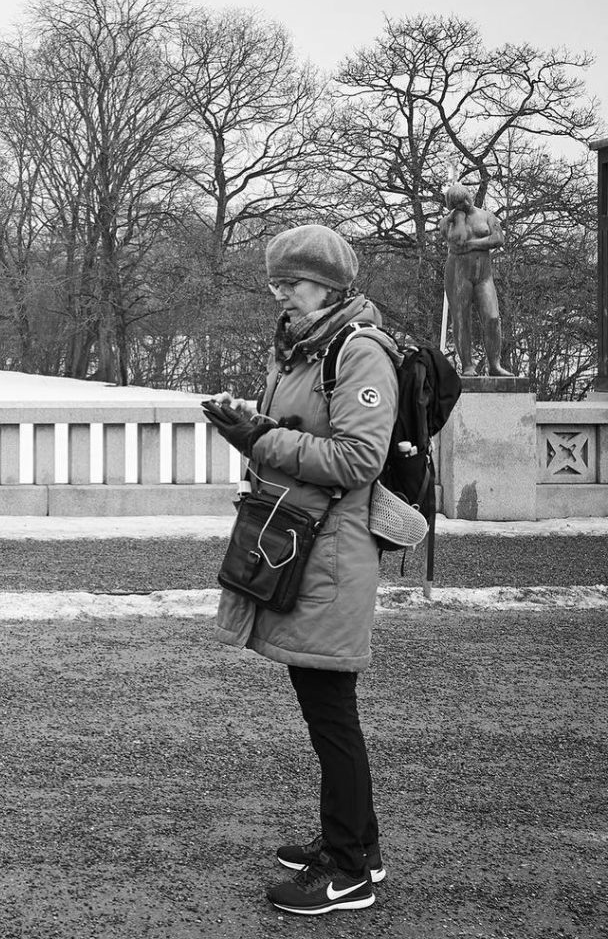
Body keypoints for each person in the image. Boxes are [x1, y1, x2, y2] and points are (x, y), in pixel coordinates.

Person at [205, 224, 399, 916]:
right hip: (300, 539)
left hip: (334, 550)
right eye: (276, 281)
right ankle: (357, 850)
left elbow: (356, 460)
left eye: (294, 281)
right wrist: (247, 427)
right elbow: (295, 436)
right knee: (324, 708)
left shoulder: (358, 351)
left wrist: (263, 436)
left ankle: (347, 871)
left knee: (331, 711)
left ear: (332, 284)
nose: (281, 292)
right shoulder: (304, 348)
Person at [438, 183, 512, 376]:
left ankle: (495, 365)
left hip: (483, 274)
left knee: (493, 317)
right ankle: (468, 366)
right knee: (461, 319)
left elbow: (498, 239)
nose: (462, 205)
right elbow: (458, 242)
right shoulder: (448, 221)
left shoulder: (487, 216)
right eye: (456, 204)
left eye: (463, 201)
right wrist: (459, 217)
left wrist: (472, 245)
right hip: (458, 273)